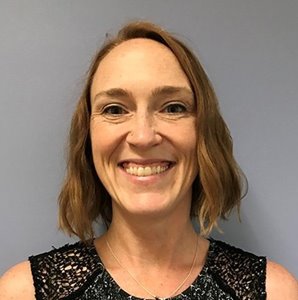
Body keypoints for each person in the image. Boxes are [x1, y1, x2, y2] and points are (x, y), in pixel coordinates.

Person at [0, 21, 297, 300]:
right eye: (115, 110)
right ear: (87, 138)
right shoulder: (22, 292)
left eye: (173, 108)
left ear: (204, 133)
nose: (142, 136)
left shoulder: (274, 292)